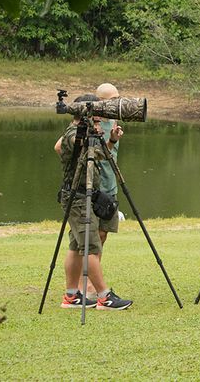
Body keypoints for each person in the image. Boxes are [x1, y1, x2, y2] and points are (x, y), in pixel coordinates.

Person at [57, 94, 132, 310]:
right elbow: (71, 143)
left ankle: (71, 296)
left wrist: (111, 140)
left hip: (82, 196)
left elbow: (98, 154)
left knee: (75, 245)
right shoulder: (74, 134)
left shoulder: (86, 133)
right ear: (85, 116)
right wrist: (89, 134)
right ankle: (104, 297)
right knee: (90, 247)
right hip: (78, 197)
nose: (99, 124)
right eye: (96, 120)